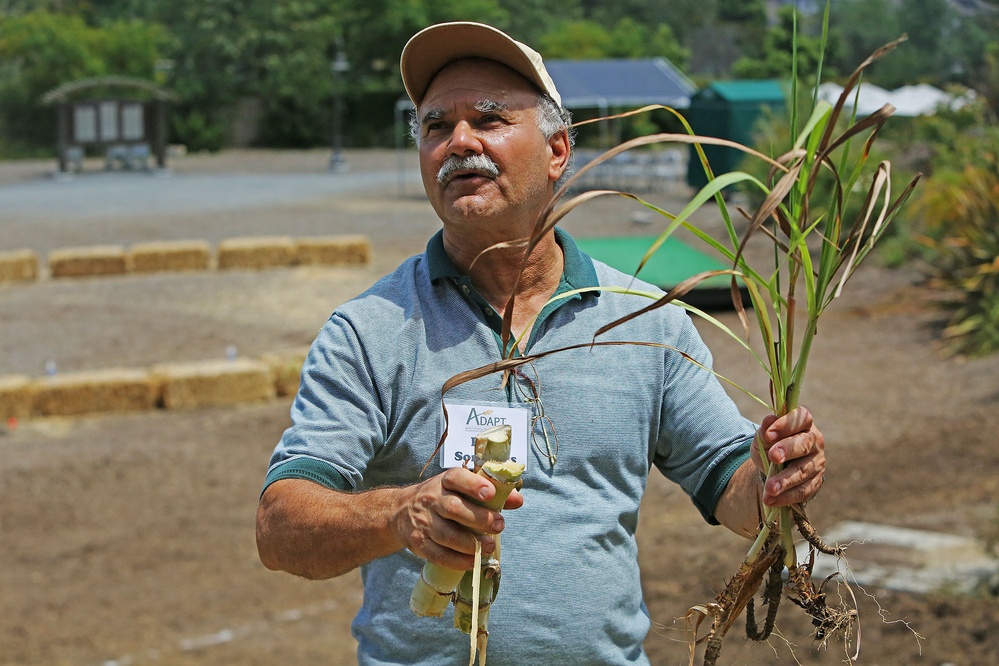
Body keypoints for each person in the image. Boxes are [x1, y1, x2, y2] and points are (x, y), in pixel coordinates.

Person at [255, 21, 826, 666]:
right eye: (437, 126)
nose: (459, 142)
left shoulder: (646, 319)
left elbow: (733, 491)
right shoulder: (370, 330)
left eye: (490, 119)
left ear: (558, 151)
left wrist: (776, 476)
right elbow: (281, 529)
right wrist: (400, 515)